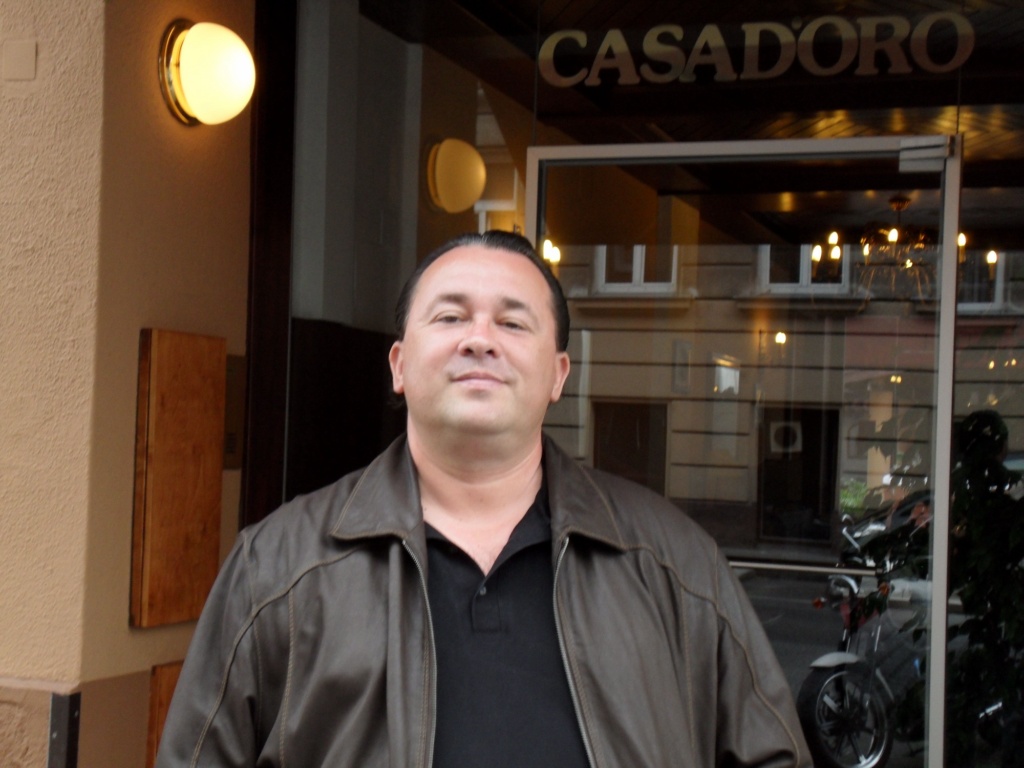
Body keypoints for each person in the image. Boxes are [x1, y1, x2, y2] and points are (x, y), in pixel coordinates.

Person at [156, 230, 810, 767]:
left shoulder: (675, 563)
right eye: (450, 317)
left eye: (513, 322)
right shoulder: (278, 568)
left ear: (557, 375)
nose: (479, 338)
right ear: (398, 365)